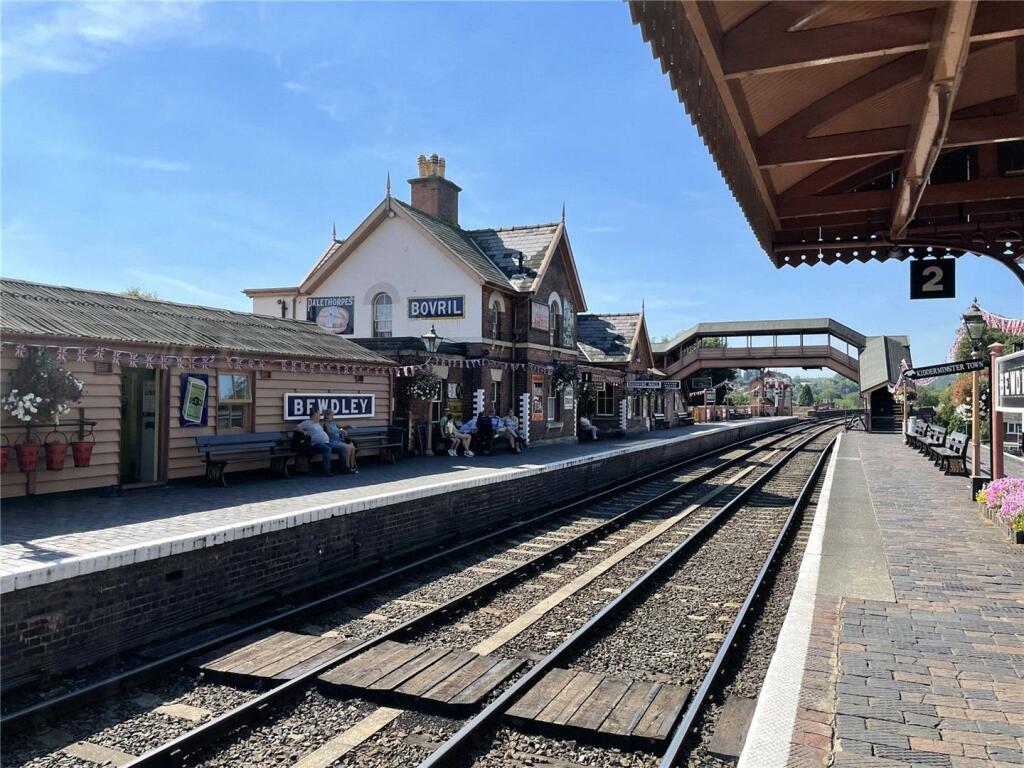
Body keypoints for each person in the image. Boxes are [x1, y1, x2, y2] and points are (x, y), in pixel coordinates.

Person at [296, 408, 334, 476]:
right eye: (319, 413)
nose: (320, 415)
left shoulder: (317, 423)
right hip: (316, 444)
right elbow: (296, 427)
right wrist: (304, 431)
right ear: (315, 414)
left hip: (325, 442)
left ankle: (344, 468)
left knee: (340, 447)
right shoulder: (307, 422)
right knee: (327, 449)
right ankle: (327, 471)